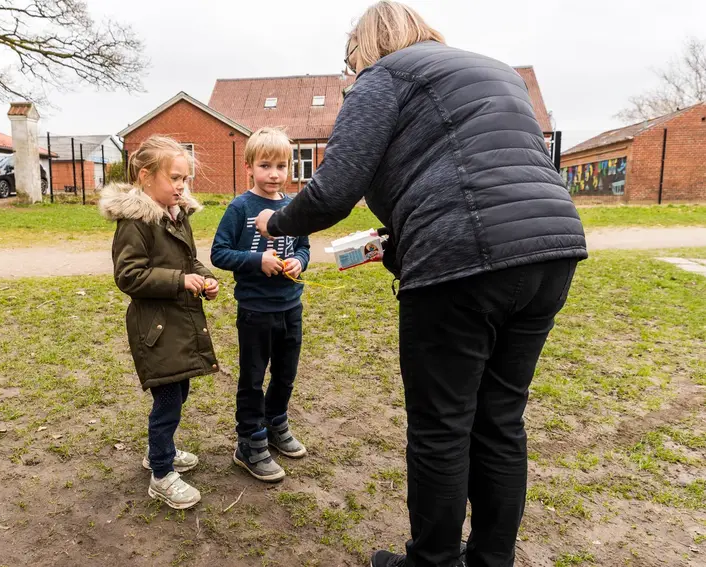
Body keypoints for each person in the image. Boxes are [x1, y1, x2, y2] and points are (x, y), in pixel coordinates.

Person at [254, 2, 588, 566]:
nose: (349, 74)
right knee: (500, 420)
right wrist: (402, 240)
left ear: (364, 48)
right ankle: (490, 560)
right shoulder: (496, 72)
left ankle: (431, 561)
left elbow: (335, 186)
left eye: (349, 62)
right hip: (551, 249)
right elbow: (472, 170)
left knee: (441, 427)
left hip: (464, 260)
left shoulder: (385, 75)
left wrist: (277, 220)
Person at [99, 135, 220, 510]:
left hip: (178, 321)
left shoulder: (177, 215)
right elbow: (129, 276)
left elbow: (188, 261)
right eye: (175, 178)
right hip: (156, 327)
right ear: (145, 176)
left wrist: (204, 277)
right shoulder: (135, 222)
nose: (182, 186)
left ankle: (159, 451)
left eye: (185, 179)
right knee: (167, 399)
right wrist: (180, 281)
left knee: (178, 392)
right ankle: (161, 474)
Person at [211, 127, 311, 482]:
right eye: (265, 165)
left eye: (281, 166)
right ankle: (249, 442)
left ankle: (275, 424)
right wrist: (257, 261)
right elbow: (218, 253)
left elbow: (303, 246)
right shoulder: (240, 207)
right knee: (253, 379)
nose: (274, 174)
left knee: (285, 374)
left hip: (290, 306)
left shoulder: (293, 207)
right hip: (255, 311)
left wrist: (299, 260)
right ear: (249, 165)